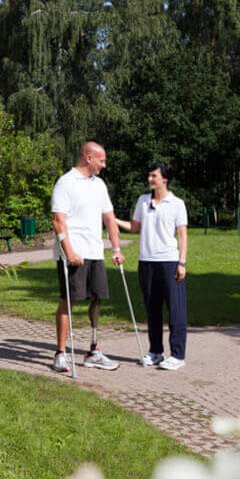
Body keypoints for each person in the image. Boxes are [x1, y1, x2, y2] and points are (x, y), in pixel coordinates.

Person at [51, 141, 124, 372]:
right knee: (69, 301)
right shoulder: (66, 183)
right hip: (73, 254)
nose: (104, 165)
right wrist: (69, 251)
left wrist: (116, 249)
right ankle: (61, 354)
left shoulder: (99, 185)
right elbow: (58, 220)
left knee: (97, 297)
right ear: (88, 158)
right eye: (101, 160)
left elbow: (110, 219)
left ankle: (93, 351)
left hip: (95, 251)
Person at [115, 162, 189, 370]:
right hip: (146, 262)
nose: (149, 179)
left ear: (164, 179)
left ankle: (177, 355)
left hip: (169, 261)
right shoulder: (143, 201)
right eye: (149, 175)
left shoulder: (177, 204)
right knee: (152, 310)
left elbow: (182, 235)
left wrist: (181, 263)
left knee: (176, 310)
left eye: (153, 176)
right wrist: (113, 219)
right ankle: (156, 352)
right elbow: (134, 227)